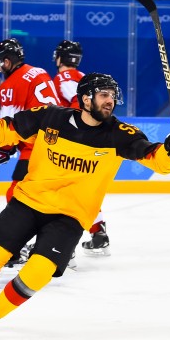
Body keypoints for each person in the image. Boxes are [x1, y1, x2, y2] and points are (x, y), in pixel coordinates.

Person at [0, 72, 170, 340]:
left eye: (112, 96)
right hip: (30, 200)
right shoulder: (51, 117)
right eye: (104, 95)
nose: (110, 101)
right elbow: (7, 131)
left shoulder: (119, 134)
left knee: (39, 271)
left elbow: (156, 158)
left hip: (70, 216)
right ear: (86, 98)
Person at [52, 40, 110, 255]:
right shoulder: (85, 77)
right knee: (83, 188)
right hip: (91, 139)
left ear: (60, 58)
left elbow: (77, 104)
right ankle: (99, 233)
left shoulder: (64, 77)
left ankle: (63, 246)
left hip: (74, 140)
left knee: (64, 189)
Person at [0, 38, 60, 203]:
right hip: (60, 144)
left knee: (15, 197)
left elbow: (7, 127)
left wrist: (1, 149)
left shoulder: (9, 85)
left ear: (7, 62)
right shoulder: (40, 72)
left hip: (36, 148)